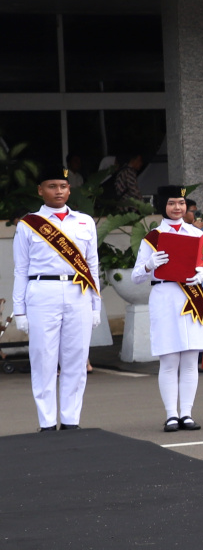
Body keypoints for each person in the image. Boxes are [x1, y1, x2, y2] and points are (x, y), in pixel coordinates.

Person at [12, 163, 102, 431]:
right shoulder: (29, 225)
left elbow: (93, 266)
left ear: (69, 189)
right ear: (41, 190)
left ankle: (71, 420)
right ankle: (47, 422)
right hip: (42, 292)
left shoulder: (85, 222)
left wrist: (97, 305)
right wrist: (20, 310)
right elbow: (21, 269)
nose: (58, 191)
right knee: (44, 359)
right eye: (52, 186)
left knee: (76, 358)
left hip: (78, 293)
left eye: (63, 186)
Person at [131, 185, 203, 432]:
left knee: (190, 360)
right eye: (171, 203)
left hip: (192, 296)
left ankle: (187, 414)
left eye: (180, 203)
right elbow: (136, 277)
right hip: (165, 296)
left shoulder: (196, 233)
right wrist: (149, 265)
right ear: (162, 206)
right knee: (169, 360)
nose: (177, 208)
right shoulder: (153, 237)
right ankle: (171, 414)